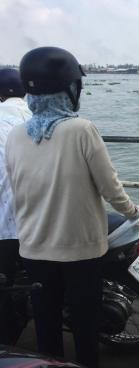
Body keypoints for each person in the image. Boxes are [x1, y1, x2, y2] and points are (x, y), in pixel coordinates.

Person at [5, 47, 139, 368]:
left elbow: (18, 191)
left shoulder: (15, 136)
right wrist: (131, 211)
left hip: (34, 248)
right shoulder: (81, 130)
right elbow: (110, 187)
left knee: (46, 323)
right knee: (85, 324)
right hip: (80, 251)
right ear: (70, 89)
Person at [0, 68, 32, 345]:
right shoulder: (38, 117)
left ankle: (9, 345)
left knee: (8, 286)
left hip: (8, 224)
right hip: (42, 222)